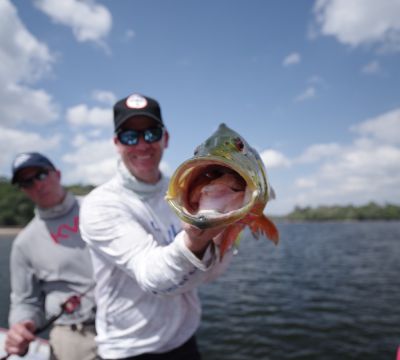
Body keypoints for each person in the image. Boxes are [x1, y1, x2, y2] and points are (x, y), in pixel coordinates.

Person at [79, 93, 234, 360]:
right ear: (117, 142)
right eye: (130, 136)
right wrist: (196, 240)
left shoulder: (187, 191)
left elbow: (206, 276)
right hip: (129, 350)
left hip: (184, 341)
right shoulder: (100, 204)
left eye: (151, 133)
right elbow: (152, 276)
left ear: (166, 138)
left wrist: (227, 235)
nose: (142, 145)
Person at [5, 152, 97, 360]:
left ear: (57, 174)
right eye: (26, 182)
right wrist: (22, 324)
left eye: (41, 175)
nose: (37, 185)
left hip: (131, 324)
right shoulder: (24, 243)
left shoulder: (98, 206)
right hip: (75, 337)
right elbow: (25, 301)